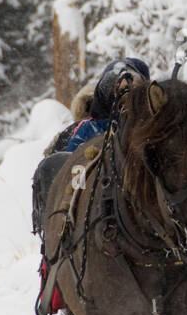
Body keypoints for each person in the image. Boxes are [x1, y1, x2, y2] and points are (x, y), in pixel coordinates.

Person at [32, 56, 150, 246]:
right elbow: (73, 167)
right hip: (92, 209)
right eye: (115, 86)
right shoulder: (87, 129)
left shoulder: (148, 128)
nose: (122, 94)